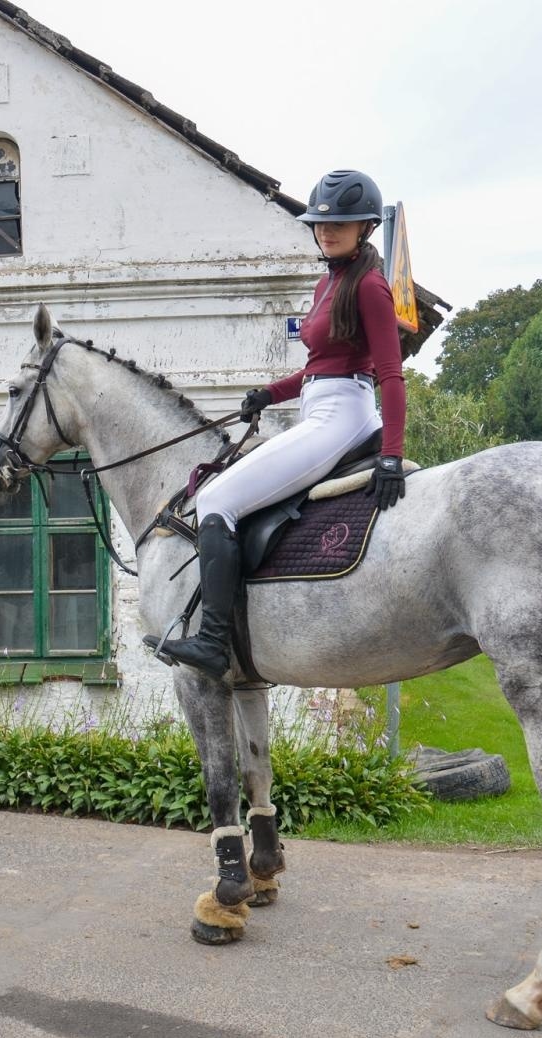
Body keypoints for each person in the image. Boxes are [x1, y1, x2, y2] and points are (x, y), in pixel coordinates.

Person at [153, 169, 407, 679]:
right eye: (320, 224)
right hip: (321, 405)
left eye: (340, 224)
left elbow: (390, 374)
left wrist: (392, 455)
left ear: (365, 228)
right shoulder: (327, 283)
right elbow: (319, 368)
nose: (326, 232)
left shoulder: (370, 286)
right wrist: (270, 393)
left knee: (216, 500)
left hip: (343, 416)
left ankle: (213, 642)